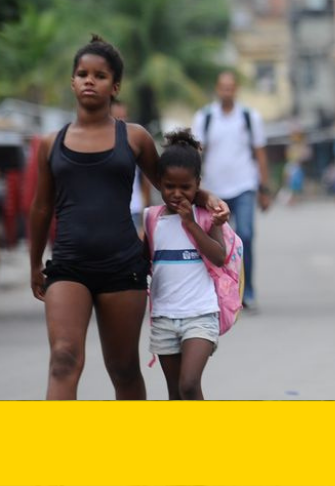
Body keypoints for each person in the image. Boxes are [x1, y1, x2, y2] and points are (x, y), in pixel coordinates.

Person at [28, 34, 228, 400]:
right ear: (72, 81)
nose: (90, 80)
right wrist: (34, 264)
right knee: (63, 358)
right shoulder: (50, 143)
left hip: (122, 268)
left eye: (100, 75)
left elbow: (171, 187)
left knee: (122, 368)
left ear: (115, 86)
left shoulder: (133, 138)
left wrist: (208, 196)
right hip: (68, 265)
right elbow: (41, 207)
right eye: (82, 73)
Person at [143, 130, 226, 400]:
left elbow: (219, 256)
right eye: (169, 187)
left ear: (198, 184)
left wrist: (190, 224)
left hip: (200, 315)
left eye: (186, 187)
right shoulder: (151, 219)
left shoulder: (205, 216)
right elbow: (144, 261)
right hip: (164, 317)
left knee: (189, 384)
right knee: (176, 393)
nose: (177, 194)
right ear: (159, 183)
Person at [192, 71, 270, 310]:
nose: (227, 91)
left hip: (244, 185)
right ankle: (219, 291)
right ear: (217, 89)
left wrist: (264, 188)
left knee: (245, 235)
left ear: (236, 89)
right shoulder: (205, 117)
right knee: (216, 244)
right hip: (214, 190)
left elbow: (259, 153)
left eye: (231, 87)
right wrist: (194, 188)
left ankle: (247, 291)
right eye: (222, 87)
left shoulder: (249, 117)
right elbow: (196, 153)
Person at [111, 101, 150, 232]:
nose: (121, 122)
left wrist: (145, 210)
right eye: (117, 118)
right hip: (110, 213)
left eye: (124, 117)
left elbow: (145, 179)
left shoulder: (135, 142)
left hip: (134, 211)